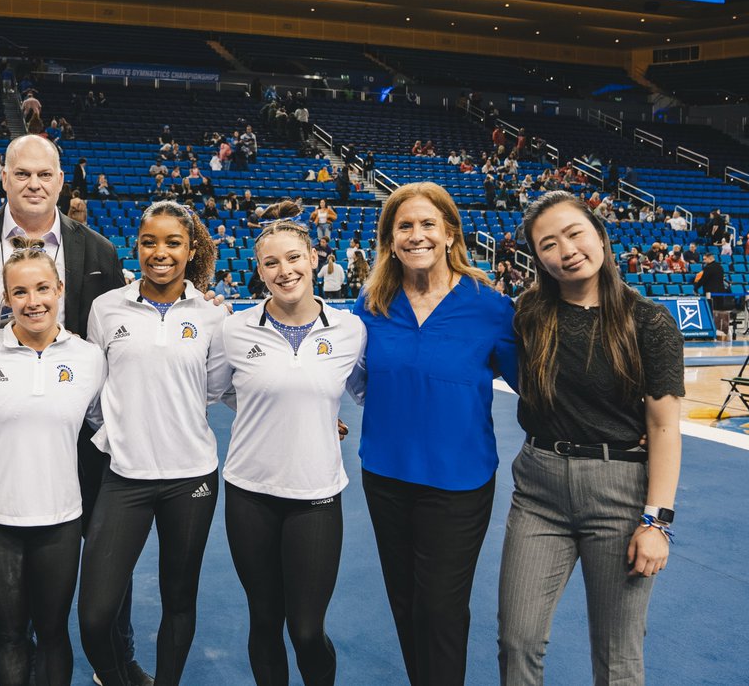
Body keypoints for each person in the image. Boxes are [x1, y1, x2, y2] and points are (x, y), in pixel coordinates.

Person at [0, 134, 137, 681]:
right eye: (21, 173)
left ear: (60, 181)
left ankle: (116, 663)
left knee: (91, 593)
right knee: (12, 625)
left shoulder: (97, 251)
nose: (33, 184)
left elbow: (122, 342)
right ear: (2, 177)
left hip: (74, 451)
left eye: (44, 175)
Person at [498, 191, 683, 684]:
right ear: (537, 258)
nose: (566, 250)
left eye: (575, 233)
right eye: (548, 244)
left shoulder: (650, 323)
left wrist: (656, 522)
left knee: (617, 655)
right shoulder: (529, 314)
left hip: (619, 495)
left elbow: (663, 427)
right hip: (538, 491)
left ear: (600, 235)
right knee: (517, 640)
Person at [353, 182, 518, 686]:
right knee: (404, 603)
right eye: (405, 226)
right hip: (385, 475)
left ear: (450, 233)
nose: (417, 235)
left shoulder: (490, 307)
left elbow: (536, 386)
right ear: (390, 238)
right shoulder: (370, 304)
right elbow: (340, 374)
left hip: (459, 483)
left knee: (442, 608)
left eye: (428, 224)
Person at [79, 200, 227, 686]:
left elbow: (222, 389)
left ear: (190, 250)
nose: (159, 252)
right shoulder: (106, 308)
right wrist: (117, 433)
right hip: (124, 477)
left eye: (172, 243)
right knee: (96, 613)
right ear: (136, 246)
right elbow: (94, 388)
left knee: (179, 600)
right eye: (149, 241)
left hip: (192, 479)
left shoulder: (210, 316)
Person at [219, 200, 365, 686]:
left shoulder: (350, 329)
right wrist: (276, 411)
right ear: (258, 270)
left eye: (293, 258)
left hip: (316, 496)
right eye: (271, 263)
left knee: (305, 629)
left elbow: (365, 389)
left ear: (313, 257)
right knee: (264, 619)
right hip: (249, 494)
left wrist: (321, 415)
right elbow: (218, 388)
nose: (285, 271)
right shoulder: (235, 329)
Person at [0, 238, 105, 686]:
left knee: (51, 633)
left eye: (42, 289)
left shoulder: (87, 358)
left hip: (61, 518)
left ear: (60, 289)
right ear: (6, 298)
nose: (33, 302)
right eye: (20, 292)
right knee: (8, 634)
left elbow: (114, 425)